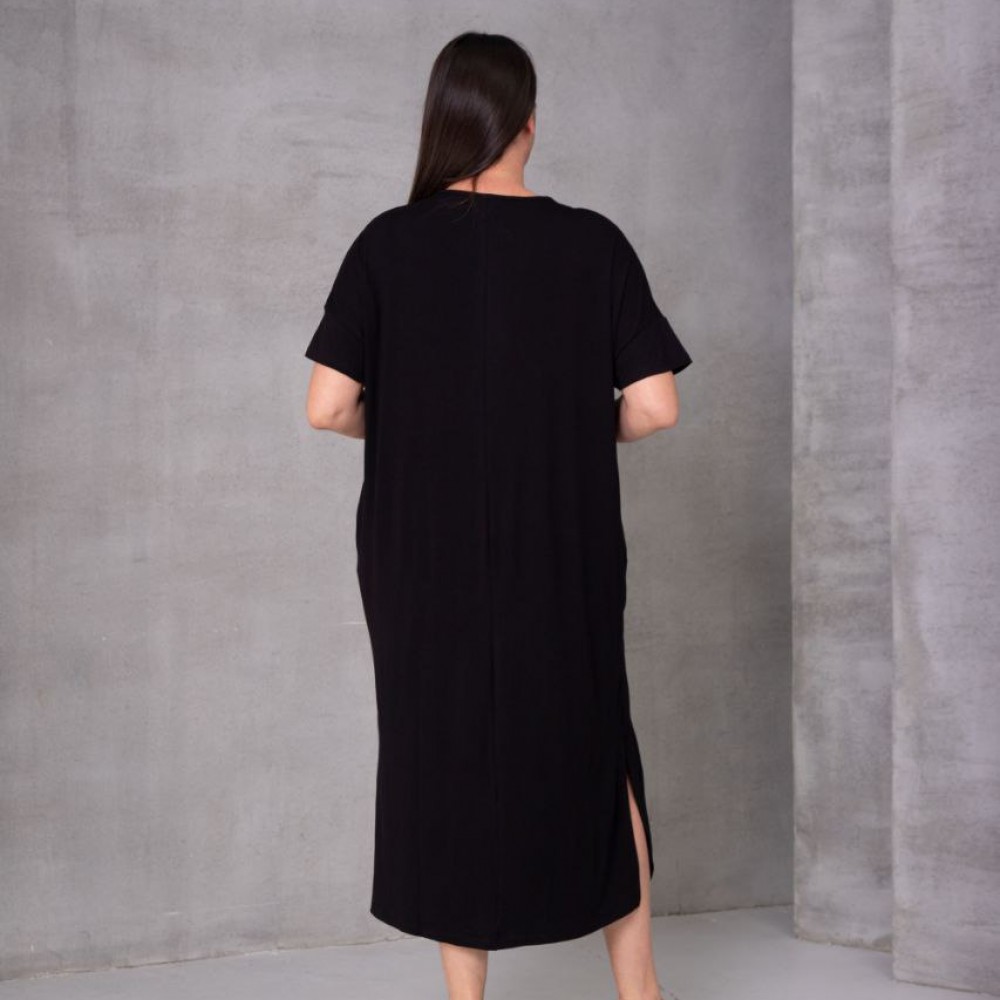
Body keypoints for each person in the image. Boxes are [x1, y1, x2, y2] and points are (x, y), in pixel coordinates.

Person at [304, 31, 692, 1000]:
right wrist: (572, 427)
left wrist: (413, 424)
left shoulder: (386, 245)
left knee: (445, 755)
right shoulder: (592, 243)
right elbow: (655, 406)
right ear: (527, 123)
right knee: (597, 750)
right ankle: (640, 992)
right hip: (561, 557)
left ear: (443, 123)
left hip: (419, 565)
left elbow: (328, 405)